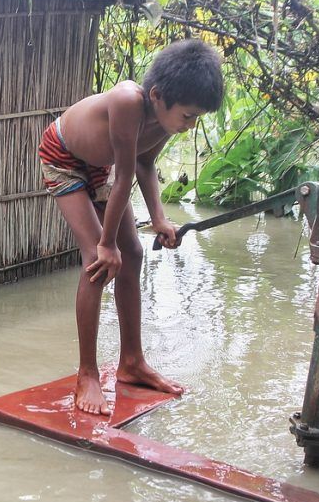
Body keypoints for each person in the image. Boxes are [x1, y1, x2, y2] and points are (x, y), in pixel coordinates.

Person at [38, 39, 224, 415]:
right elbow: (124, 175)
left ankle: (132, 362)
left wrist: (159, 219)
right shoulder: (127, 101)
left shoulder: (168, 118)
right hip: (64, 158)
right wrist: (107, 243)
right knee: (97, 259)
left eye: (196, 118)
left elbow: (144, 165)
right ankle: (86, 374)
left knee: (134, 252)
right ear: (157, 95)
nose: (190, 126)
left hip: (103, 166)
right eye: (187, 117)